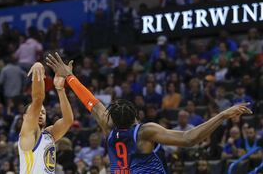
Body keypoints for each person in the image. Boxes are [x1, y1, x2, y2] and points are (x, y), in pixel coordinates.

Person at [46, 52, 252, 174]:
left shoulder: (107, 127)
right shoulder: (145, 131)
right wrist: (223, 115)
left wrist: (70, 77)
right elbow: (190, 138)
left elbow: (90, 101)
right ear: (137, 117)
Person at [18, 62, 74, 174]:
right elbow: (38, 99)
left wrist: (60, 89)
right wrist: (38, 67)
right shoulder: (27, 134)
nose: (40, 113)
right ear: (26, 117)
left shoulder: (49, 134)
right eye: (37, 111)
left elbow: (68, 120)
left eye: (43, 112)